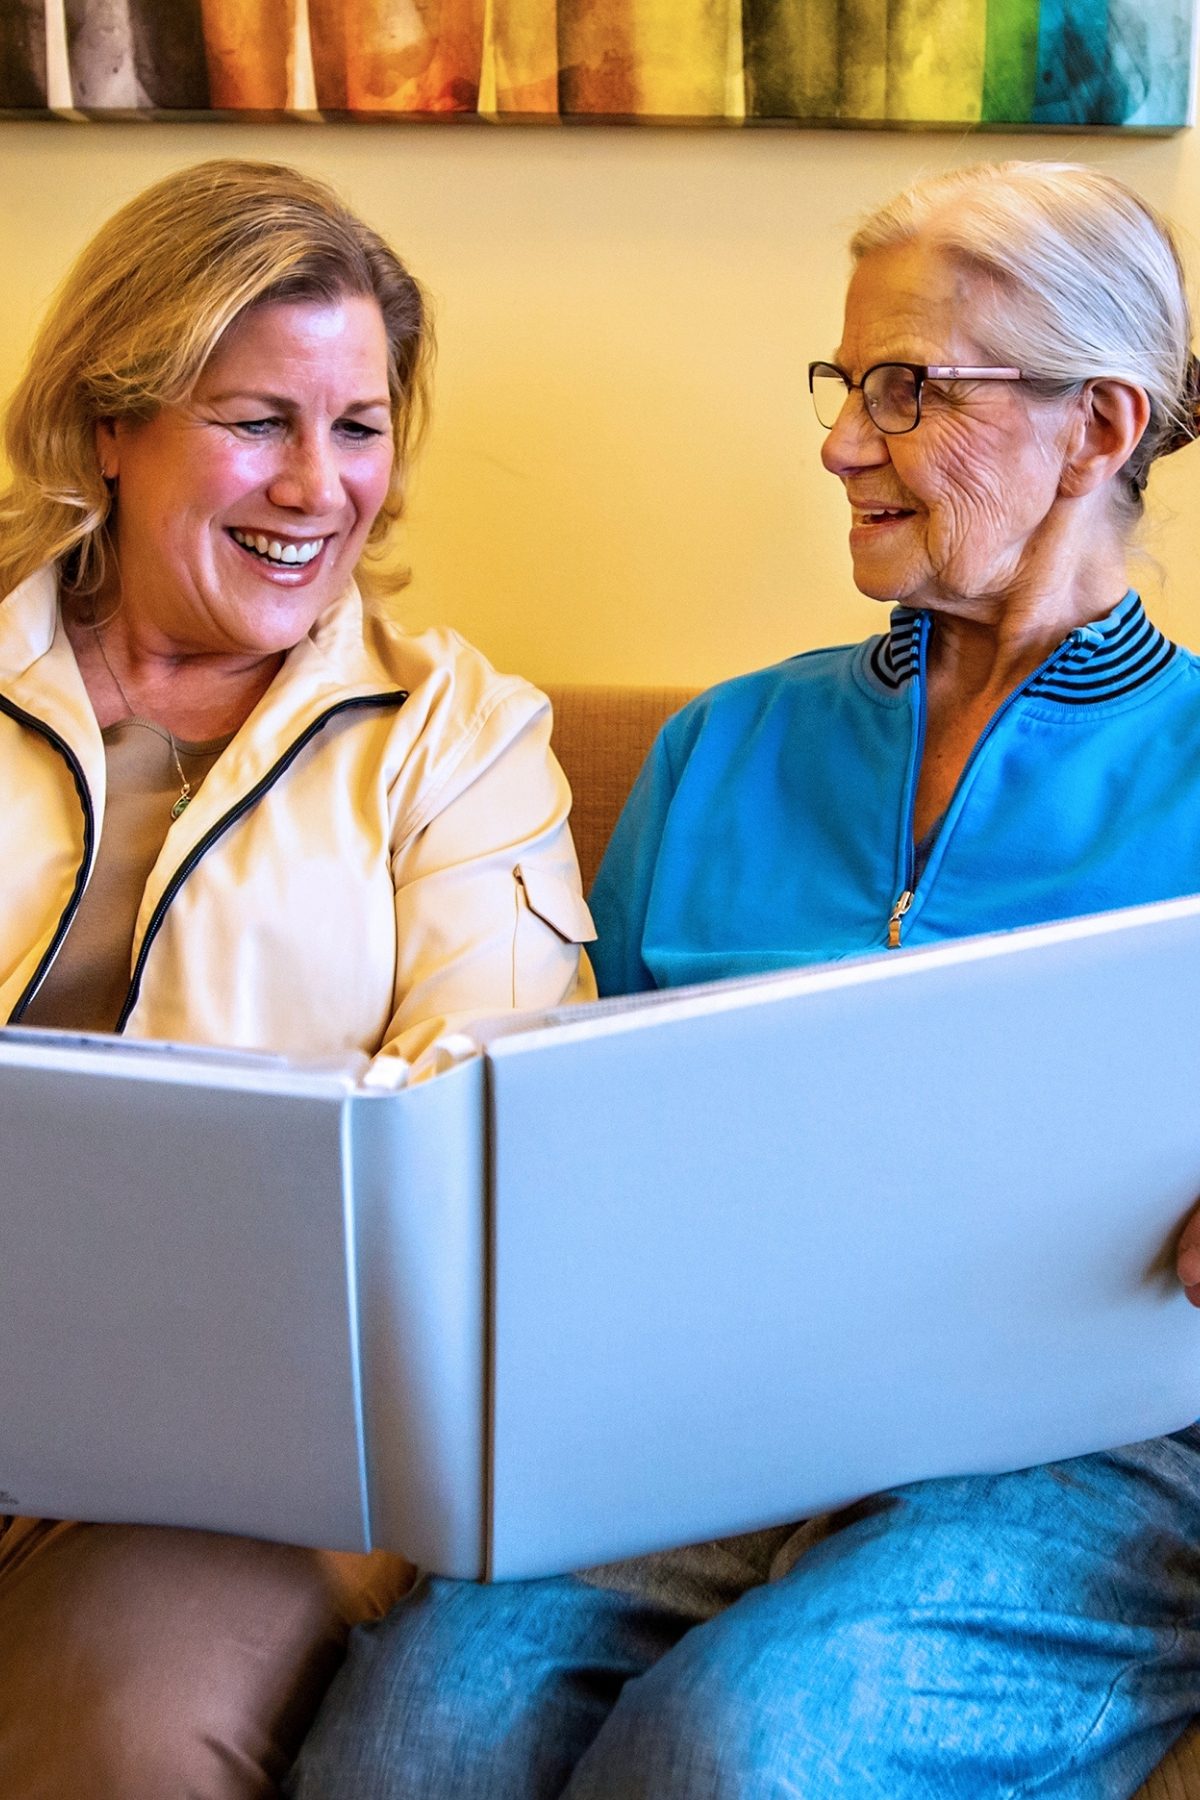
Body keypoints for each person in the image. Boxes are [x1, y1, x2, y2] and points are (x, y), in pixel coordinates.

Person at [290, 161, 1200, 1799]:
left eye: (909, 389)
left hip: (1085, 1466)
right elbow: (558, 1148)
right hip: (707, 1434)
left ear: (1100, 424)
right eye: (846, 385)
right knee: (415, 1730)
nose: (844, 440)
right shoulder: (724, 749)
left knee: (747, 1744)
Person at [0, 158, 594, 1798]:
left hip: (244, 1462)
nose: (319, 487)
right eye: (258, 419)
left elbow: (475, 1148)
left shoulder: (460, 742)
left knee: (129, 1724)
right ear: (110, 424)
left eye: (361, 427)